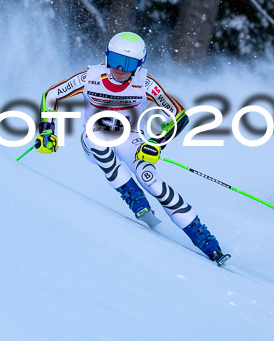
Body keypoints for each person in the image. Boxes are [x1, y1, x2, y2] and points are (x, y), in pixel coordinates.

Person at [35, 31, 230, 266]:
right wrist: (47, 131)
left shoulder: (145, 83)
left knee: (151, 180)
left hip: (130, 137)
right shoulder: (90, 77)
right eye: (114, 60)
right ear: (106, 56)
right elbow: (51, 95)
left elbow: (180, 115)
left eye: (128, 64)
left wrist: (156, 144)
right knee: (99, 142)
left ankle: (205, 240)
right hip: (93, 137)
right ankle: (132, 194)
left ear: (139, 65)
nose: (119, 69)